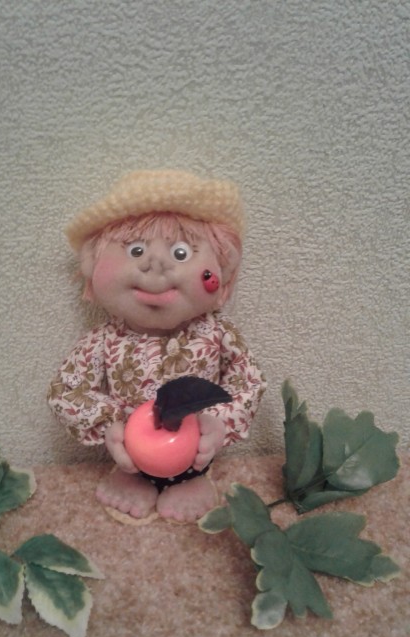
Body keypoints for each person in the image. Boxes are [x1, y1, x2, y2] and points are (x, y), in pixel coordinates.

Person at [48, 170, 266, 523]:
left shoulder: (217, 333)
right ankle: (133, 477)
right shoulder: (103, 340)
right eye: (135, 250)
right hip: (131, 455)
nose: (155, 263)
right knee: (130, 457)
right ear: (92, 264)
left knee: (195, 454)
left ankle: (191, 479)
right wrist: (111, 425)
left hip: (193, 451)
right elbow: (66, 391)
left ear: (222, 268)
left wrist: (219, 423)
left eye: (181, 252)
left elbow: (249, 381)